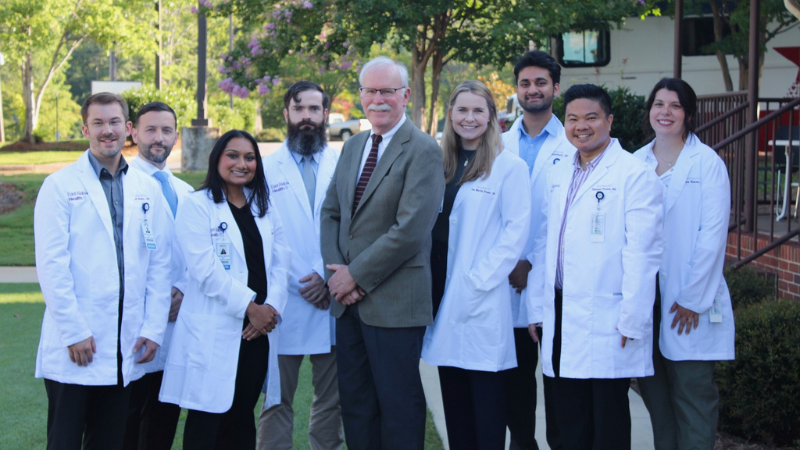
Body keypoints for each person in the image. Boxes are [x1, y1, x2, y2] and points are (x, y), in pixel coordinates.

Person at [526, 84, 663, 450]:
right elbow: (546, 243)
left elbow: (643, 254)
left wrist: (633, 318)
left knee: (606, 424)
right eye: (572, 118)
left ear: (609, 120)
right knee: (566, 422)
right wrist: (537, 307)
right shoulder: (561, 172)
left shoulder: (634, 175)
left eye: (591, 117)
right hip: (559, 310)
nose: (580, 126)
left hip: (608, 316)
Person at [34, 92, 172, 450]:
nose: (107, 130)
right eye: (98, 123)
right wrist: (74, 330)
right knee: (64, 441)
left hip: (125, 344)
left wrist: (153, 328)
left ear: (127, 128)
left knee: (110, 442)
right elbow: (52, 264)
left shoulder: (146, 189)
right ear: (85, 129)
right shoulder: (60, 186)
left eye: (114, 122)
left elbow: (158, 264)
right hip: (79, 342)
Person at [320, 56, 445, 450]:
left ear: (405, 95)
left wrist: (353, 276)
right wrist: (339, 276)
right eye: (370, 91)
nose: (378, 99)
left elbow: (409, 231)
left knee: (399, 405)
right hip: (348, 302)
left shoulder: (423, 150)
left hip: (394, 304)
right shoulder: (353, 145)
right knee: (356, 404)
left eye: (387, 91)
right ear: (360, 96)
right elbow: (331, 212)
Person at [159, 130, 291, 449]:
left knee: (242, 417)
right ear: (217, 158)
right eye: (233, 155)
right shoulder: (197, 205)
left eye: (249, 157)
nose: (242, 164)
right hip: (216, 329)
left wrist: (270, 309)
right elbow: (204, 270)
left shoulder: (264, 206)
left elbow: (281, 262)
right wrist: (251, 308)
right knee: (208, 419)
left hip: (257, 333)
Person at [422, 80, 531, 450]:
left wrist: (477, 281)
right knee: (455, 403)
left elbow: (515, 233)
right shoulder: (439, 164)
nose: (469, 118)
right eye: (462, 110)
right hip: (440, 295)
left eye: (478, 111)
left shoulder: (508, 166)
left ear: (492, 118)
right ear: (450, 113)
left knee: (486, 407)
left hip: (479, 298)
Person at [633, 78, 735, 450]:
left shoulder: (706, 164)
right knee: (658, 403)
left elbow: (712, 236)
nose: (665, 112)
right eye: (658, 104)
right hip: (647, 300)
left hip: (686, 301)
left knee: (693, 400)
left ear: (688, 114)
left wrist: (694, 297)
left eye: (675, 106)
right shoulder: (635, 163)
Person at [258, 81, 344, 450]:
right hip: (285, 298)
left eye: (314, 109)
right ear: (287, 115)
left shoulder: (344, 163)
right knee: (277, 399)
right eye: (299, 109)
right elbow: (262, 235)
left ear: (326, 114)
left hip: (334, 295)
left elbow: (353, 227)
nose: (306, 117)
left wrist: (327, 279)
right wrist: (299, 281)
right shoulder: (263, 168)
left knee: (333, 400)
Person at [501, 50, 575, 450]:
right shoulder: (499, 142)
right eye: (526, 83)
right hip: (507, 279)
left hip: (552, 282)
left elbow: (561, 218)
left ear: (555, 88)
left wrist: (532, 262)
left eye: (541, 82)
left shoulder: (573, 142)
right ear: (517, 89)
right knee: (516, 386)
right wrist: (512, 260)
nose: (533, 90)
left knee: (559, 383)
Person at [123, 101, 194, 450]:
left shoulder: (187, 193)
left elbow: (195, 254)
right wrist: (156, 300)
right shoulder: (123, 185)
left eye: (166, 131)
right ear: (133, 132)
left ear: (176, 136)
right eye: (150, 129)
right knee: (129, 416)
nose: (158, 138)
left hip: (180, 318)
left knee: (164, 417)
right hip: (139, 321)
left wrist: (181, 290)